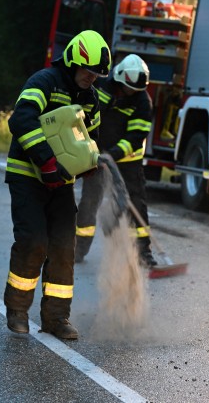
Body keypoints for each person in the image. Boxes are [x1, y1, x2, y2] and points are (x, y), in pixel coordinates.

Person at [3, 30, 109, 339]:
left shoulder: (91, 98)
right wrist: (46, 162)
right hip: (27, 174)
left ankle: (56, 318)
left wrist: (91, 164)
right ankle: (18, 310)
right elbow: (21, 119)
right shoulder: (44, 82)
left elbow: (92, 139)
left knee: (64, 247)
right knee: (34, 241)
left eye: (98, 73)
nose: (93, 77)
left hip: (61, 181)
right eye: (88, 71)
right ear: (74, 62)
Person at [75, 54, 157, 267]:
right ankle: (77, 248)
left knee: (135, 203)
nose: (131, 93)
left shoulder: (142, 102)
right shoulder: (101, 87)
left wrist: (113, 155)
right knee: (89, 201)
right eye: (129, 88)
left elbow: (135, 137)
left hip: (128, 160)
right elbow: (85, 113)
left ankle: (143, 252)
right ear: (119, 79)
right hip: (97, 155)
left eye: (136, 90)